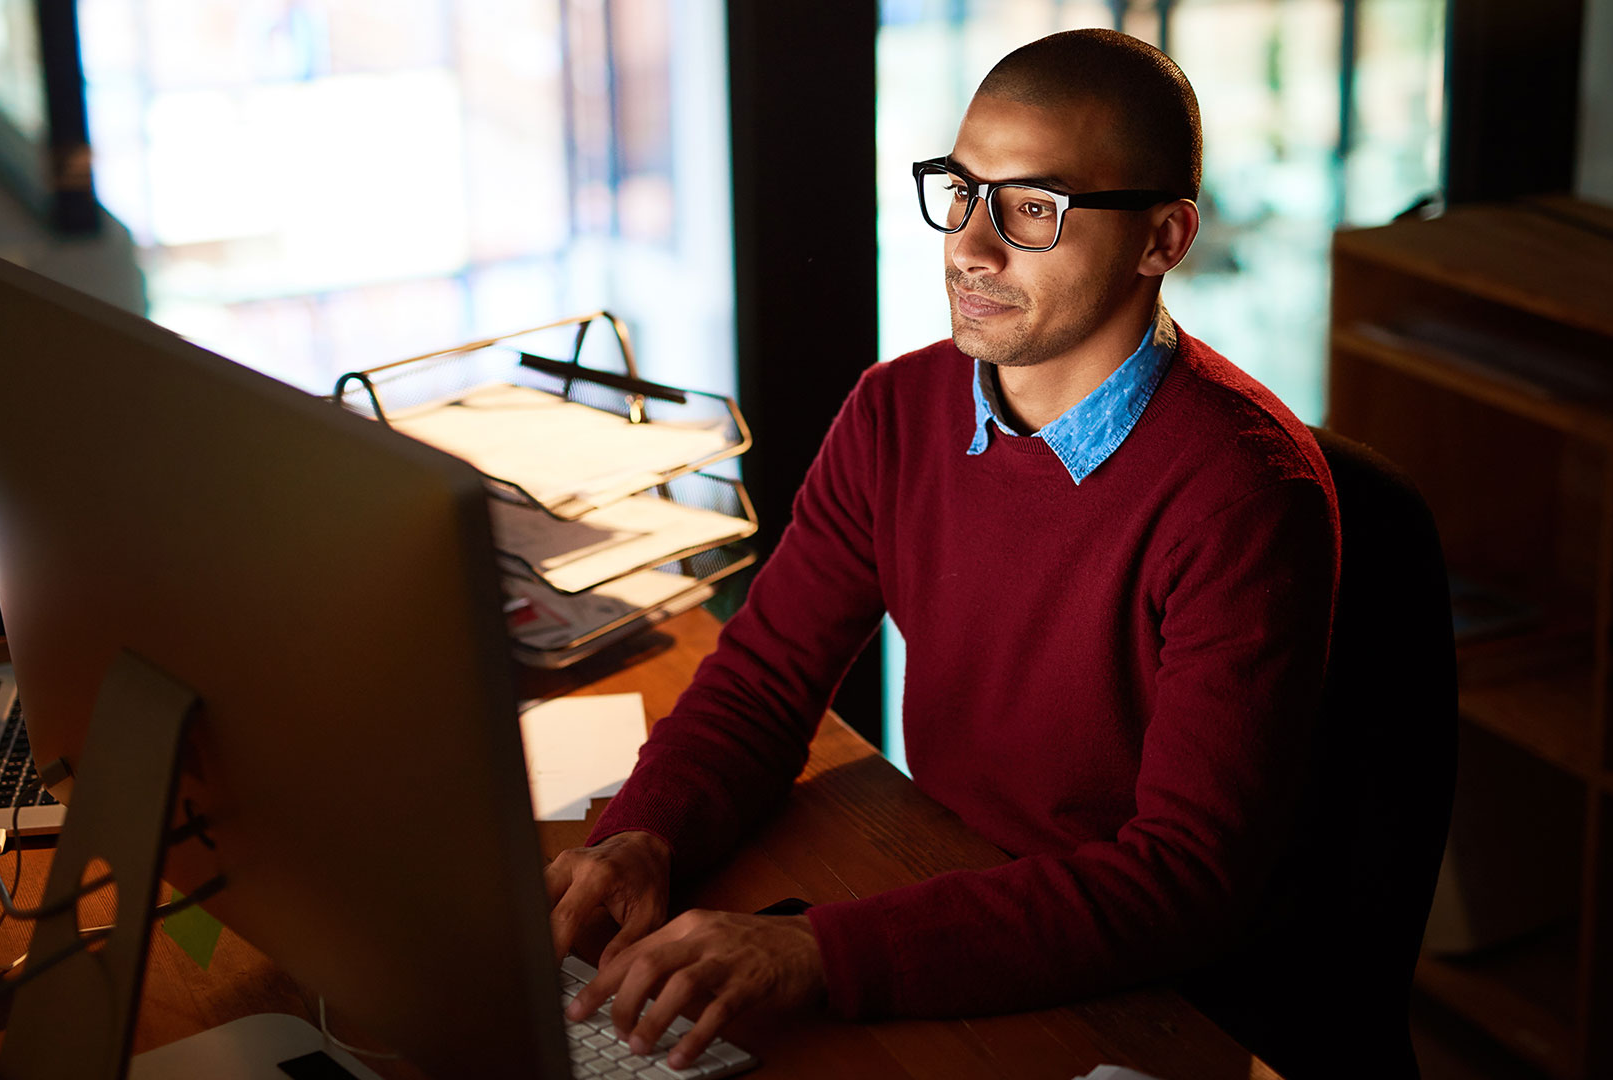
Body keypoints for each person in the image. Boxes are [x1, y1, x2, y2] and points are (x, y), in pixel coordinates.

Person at [548, 27, 1340, 1071]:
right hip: (948, 891)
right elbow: (765, 682)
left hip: (1149, 1000)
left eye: (1031, 209)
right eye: (960, 192)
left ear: (1163, 239)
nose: (971, 246)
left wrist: (817, 952)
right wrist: (644, 835)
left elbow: (1180, 883)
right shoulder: (896, 411)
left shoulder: (1246, 496)